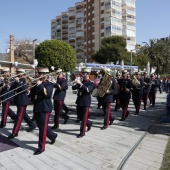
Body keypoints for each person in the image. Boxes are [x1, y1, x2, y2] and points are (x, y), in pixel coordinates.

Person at [28, 68, 57, 155]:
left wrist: (40, 85)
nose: (39, 75)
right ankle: (52, 136)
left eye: (41, 74)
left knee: (43, 129)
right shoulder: (37, 84)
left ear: (45, 75)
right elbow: (31, 95)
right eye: (39, 73)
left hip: (45, 108)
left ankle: (41, 148)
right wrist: (28, 90)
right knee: (41, 127)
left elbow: (47, 94)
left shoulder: (49, 84)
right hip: (37, 107)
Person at [8, 68, 36, 139]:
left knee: (19, 117)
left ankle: (15, 132)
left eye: (18, 72)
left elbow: (23, 89)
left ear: (22, 74)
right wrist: (9, 85)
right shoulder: (17, 80)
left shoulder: (25, 80)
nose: (17, 73)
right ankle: (32, 125)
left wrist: (17, 81)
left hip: (23, 101)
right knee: (24, 115)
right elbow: (12, 88)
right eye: (17, 72)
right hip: (18, 101)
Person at [72, 67, 94, 138]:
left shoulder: (91, 83)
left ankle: (82, 132)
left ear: (87, 74)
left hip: (85, 102)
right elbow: (74, 88)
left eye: (84, 73)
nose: (82, 74)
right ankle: (89, 123)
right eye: (82, 73)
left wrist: (80, 84)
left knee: (84, 118)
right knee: (81, 117)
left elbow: (87, 90)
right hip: (79, 101)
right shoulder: (82, 82)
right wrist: (74, 82)